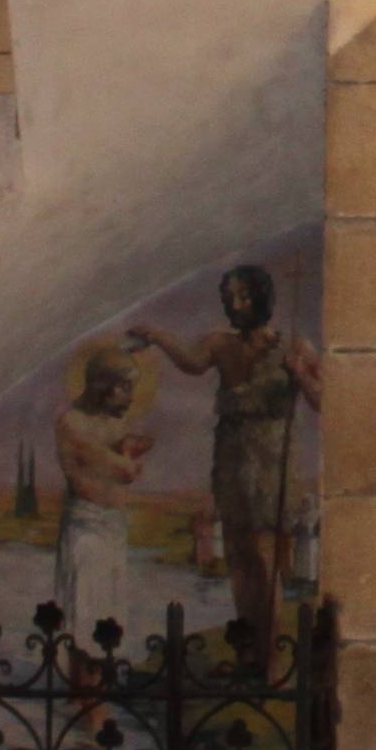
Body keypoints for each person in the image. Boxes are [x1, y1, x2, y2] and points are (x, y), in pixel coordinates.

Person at [137, 263, 322, 661]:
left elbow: (325, 401)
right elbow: (190, 362)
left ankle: (270, 657)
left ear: (261, 298)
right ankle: (248, 651)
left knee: (265, 557)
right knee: (238, 556)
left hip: (272, 465)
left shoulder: (294, 347)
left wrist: (300, 374)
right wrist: (157, 337)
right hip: (232, 460)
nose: (236, 305)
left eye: (243, 296)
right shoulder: (220, 344)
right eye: (230, 298)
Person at [49, 342, 157, 645]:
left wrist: (128, 452)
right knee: (84, 618)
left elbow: (135, 455)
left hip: (114, 528)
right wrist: (126, 454)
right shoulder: (71, 421)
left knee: (110, 620)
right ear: (102, 385)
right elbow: (124, 469)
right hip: (87, 530)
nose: (131, 396)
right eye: (124, 388)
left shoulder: (116, 421)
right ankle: (82, 690)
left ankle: (100, 687)